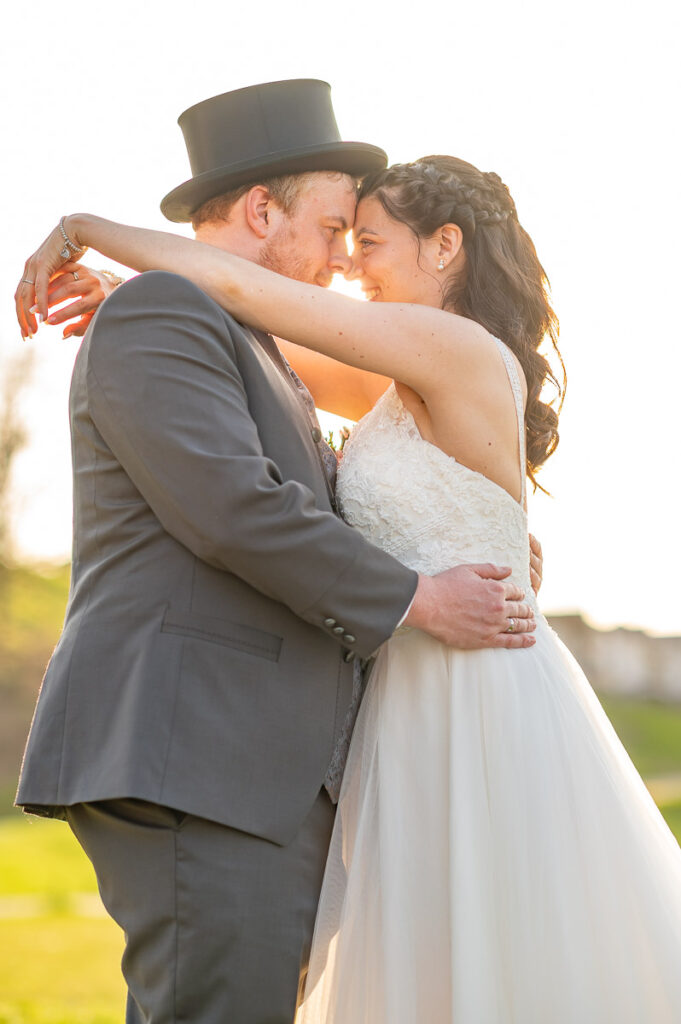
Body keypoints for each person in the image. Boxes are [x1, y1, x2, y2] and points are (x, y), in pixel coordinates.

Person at [18, 148, 681, 1022]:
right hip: (391, 709)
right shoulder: (393, 377)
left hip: (461, 696)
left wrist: (88, 228)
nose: (349, 263)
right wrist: (128, 292)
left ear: (444, 247)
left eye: (368, 240)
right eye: (343, 235)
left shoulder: (448, 344)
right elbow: (254, 345)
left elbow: (257, 299)